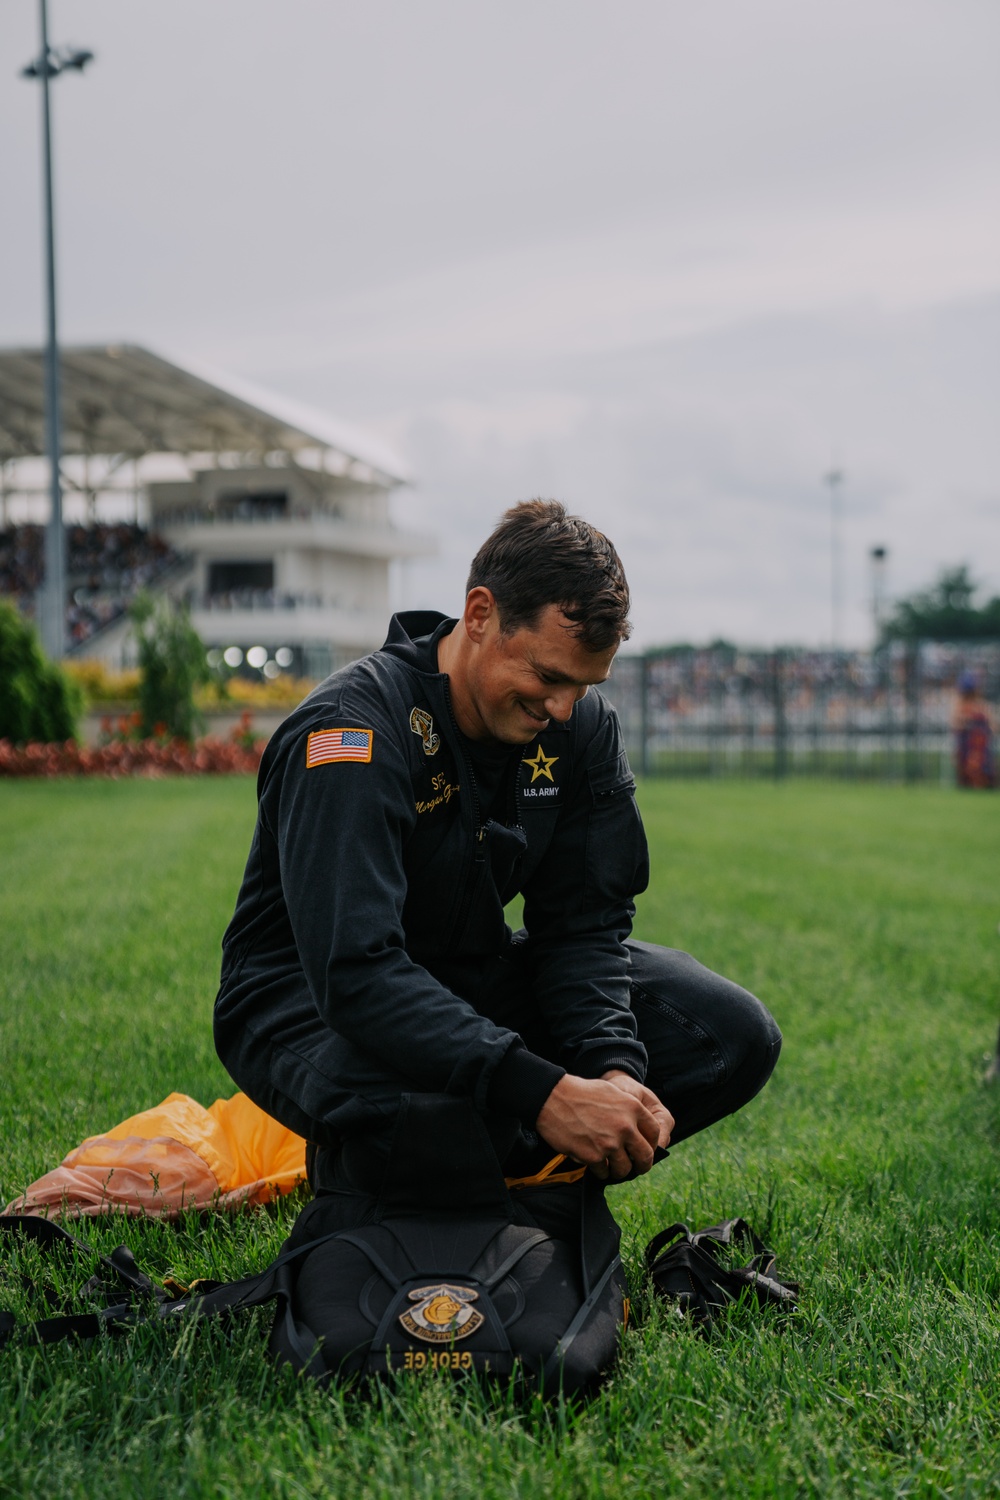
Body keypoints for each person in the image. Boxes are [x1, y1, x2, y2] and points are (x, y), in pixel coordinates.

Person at [214, 500, 780, 1203]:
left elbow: (582, 927)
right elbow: (354, 973)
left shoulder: (580, 727)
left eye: (585, 685)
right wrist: (542, 1094)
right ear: (480, 614)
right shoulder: (352, 733)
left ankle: (497, 1175)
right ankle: (440, 1163)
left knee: (732, 1035)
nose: (565, 708)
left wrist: (611, 1071)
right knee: (448, 1119)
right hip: (305, 1002)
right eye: (548, 677)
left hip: (467, 978)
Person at [952, 671, 996, 790]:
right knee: (967, 765)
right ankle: (967, 782)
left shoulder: (981, 705)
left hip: (980, 744)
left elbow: (993, 726)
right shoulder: (959, 705)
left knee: (982, 764)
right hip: (966, 743)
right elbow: (956, 724)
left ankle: (985, 783)